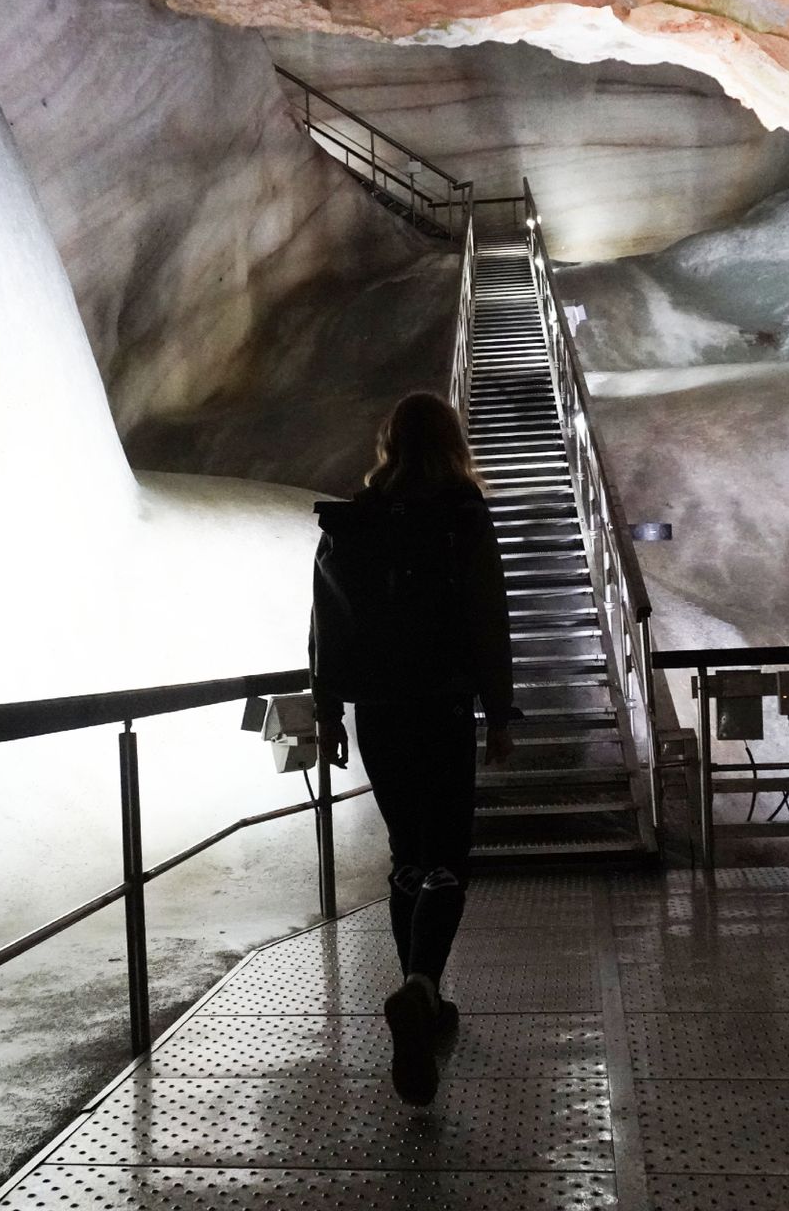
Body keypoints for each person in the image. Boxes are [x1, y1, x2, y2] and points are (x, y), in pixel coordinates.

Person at [309, 391, 514, 1106]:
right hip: (444, 705)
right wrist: (500, 708)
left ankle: (417, 998)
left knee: (407, 855)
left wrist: (329, 711)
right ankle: (422, 989)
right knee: (449, 857)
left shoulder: (353, 521)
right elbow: (488, 610)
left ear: (388, 442)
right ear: (452, 440)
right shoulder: (461, 514)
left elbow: (328, 626)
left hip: (379, 711)